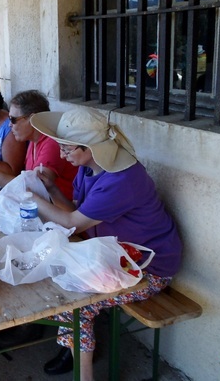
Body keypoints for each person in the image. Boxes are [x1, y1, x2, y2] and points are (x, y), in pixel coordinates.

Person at [28, 108, 183, 380]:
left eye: (67, 149)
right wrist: (51, 189)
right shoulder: (89, 169)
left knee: (77, 302)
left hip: (150, 267)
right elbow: (78, 214)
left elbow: (70, 221)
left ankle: (83, 374)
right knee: (60, 276)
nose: (62, 155)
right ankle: (72, 351)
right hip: (119, 255)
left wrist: (31, 198)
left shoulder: (122, 179)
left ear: (91, 148)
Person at [0, 90, 77, 200]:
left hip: (56, 212)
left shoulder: (51, 143)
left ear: (33, 119)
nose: (10, 125)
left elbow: (34, 190)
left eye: (13, 119)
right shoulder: (33, 141)